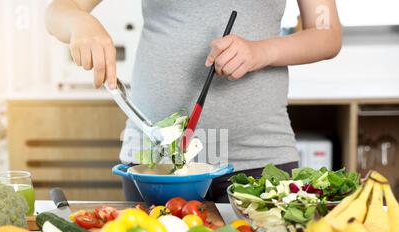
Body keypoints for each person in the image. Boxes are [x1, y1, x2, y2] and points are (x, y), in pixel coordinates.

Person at [46, 0, 342, 202]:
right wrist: (80, 22)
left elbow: (327, 33)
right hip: (155, 163)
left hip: (260, 157)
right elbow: (59, 10)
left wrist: (260, 52)